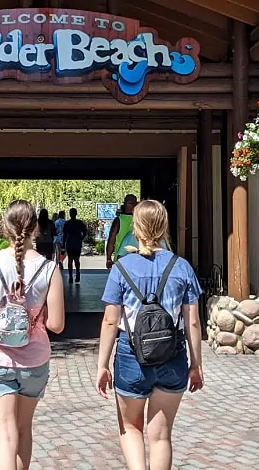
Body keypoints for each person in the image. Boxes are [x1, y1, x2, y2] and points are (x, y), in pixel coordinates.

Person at [95, 199, 204, 470]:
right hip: (173, 356)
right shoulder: (182, 267)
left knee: (131, 429)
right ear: (164, 227)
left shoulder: (122, 268)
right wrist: (196, 364)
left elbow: (111, 321)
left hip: (131, 357)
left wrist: (102, 364)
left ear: (136, 227)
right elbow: (192, 322)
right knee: (161, 437)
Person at [0, 200, 66, 470]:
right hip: (34, 362)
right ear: (37, 228)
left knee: (5, 438)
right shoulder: (50, 269)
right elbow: (57, 325)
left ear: (5, 228)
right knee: (23, 430)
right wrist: (33, 316)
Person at [105, 194, 137, 269]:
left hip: (120, 260)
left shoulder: (118, 220)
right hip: (137, 260)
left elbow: (111, 240)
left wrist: (109, 259)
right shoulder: (142, 220)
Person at [62, 208, 87, 284]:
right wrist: (81, 238)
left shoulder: (67, 223)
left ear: (70, 214)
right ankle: (77, 273)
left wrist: (63, 244)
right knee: (77, 260)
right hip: (77, 243)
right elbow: (85, 231)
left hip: (70, 243)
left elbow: (64, 235)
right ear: (76, 214)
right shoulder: (79, 223)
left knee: (70, 260)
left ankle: (70, 276)